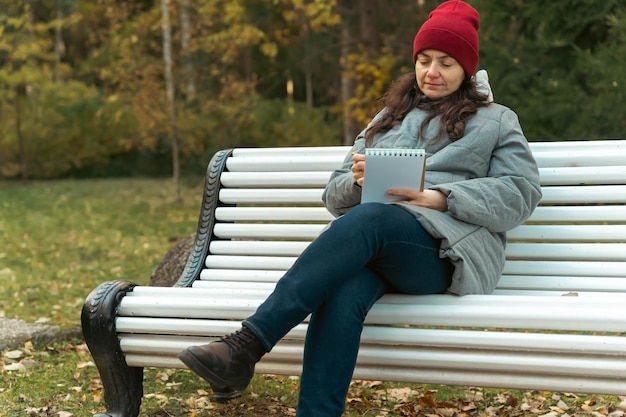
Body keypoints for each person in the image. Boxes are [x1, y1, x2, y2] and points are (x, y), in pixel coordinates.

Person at [178, 1, 543, 415]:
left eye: (446, 62)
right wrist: (357, 181)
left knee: (373, 217)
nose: (432, 72)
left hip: (447, 252)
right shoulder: (388, 117)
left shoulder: (496, 120)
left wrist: (439, 197)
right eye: (424, 60)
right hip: (379, 244)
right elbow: (333, 196)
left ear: (466, 68)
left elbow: (521, 192)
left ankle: (247, 344)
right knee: (343, 287)